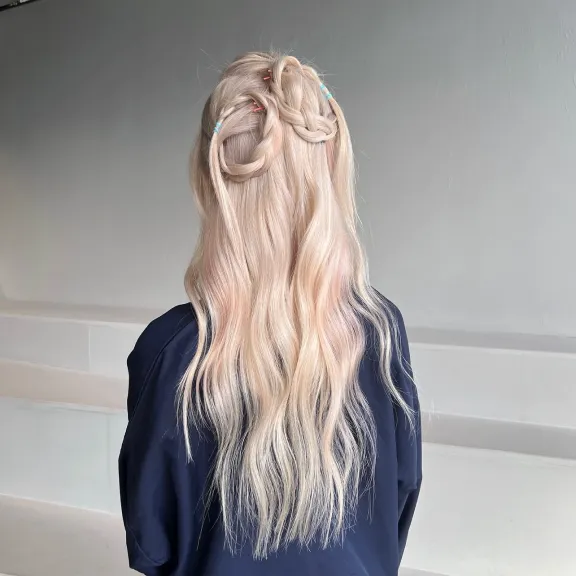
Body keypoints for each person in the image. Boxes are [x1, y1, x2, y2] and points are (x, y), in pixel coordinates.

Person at [119, 51, 422, 576]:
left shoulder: (171, 349)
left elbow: (152, 541)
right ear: (331, 174)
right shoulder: (380, 330)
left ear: (212, 180)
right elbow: (401, 492)